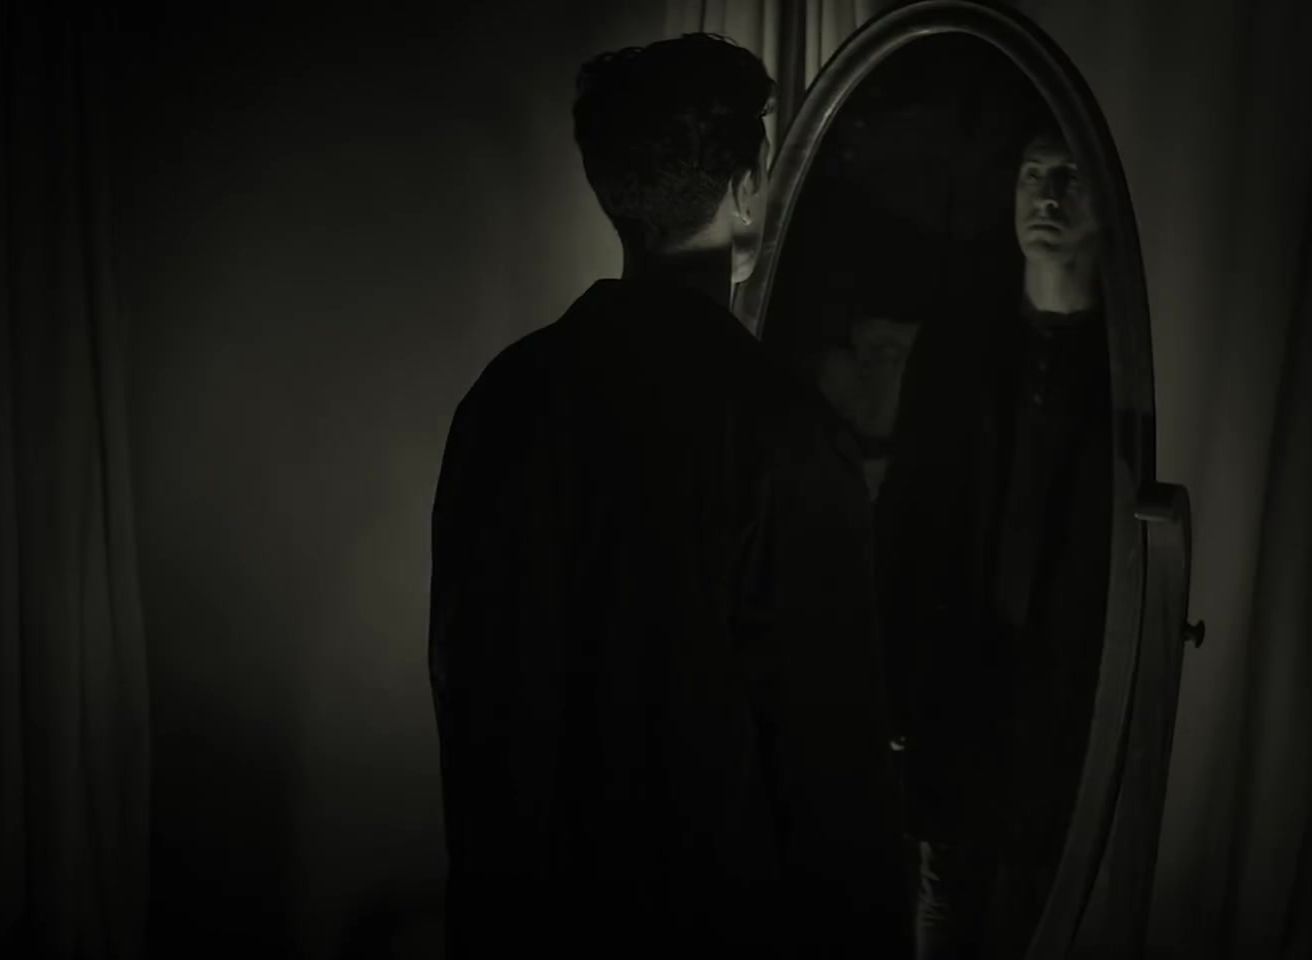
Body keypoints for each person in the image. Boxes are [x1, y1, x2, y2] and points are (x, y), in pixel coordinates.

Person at [429, 34, 909, 959]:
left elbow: (467, 690)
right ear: (747, 184)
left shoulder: (503, 401)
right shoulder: (781, 432)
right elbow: (832, 761)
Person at [877, 124, 1112, 959]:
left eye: (1068, 177)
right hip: (962, 675)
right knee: (947, 887)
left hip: (1070, 687)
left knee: (1042, 891)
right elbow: (907, 512)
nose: (1046, 197)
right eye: (1032, 175)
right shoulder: (962, 345)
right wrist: (897, 680)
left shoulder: (1120, 364)